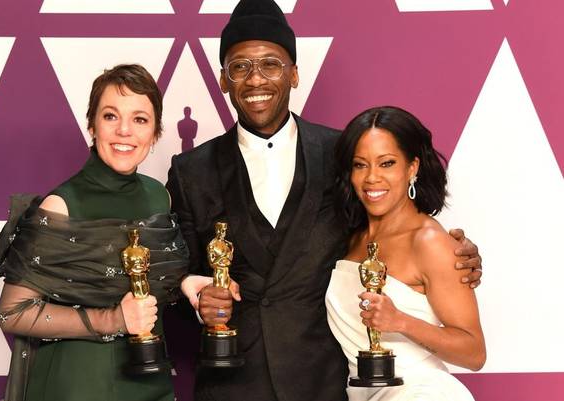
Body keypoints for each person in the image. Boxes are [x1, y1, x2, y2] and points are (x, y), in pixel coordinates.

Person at [166, 1, 483, 401]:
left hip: (326, 384)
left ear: (294, 74)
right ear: (223, 80)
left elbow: (392, 231)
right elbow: (172, 281)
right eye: (240, 67)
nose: (255, 79)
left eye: (271, 64)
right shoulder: (190, 170)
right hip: (231, 385)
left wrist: (458, 256)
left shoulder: (343, 155)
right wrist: (195, 296)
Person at [0, 64, 195, 401]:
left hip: (151, 382)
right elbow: (12, 312)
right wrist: (113, 319)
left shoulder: (160, 195)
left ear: (155, 132)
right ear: (92, 125)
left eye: (140, 119)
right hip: (78, 385)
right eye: (111, 116)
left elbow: (155, 283)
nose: (125, 131)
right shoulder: (61, 205)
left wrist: (190, 284)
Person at [326, 106, 486, 401]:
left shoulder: (430, 241)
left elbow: (473, 352)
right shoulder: (351, 238)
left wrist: (400, 321)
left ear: (412, 168)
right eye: (361, 165)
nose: (372, 177)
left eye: (386, 163)